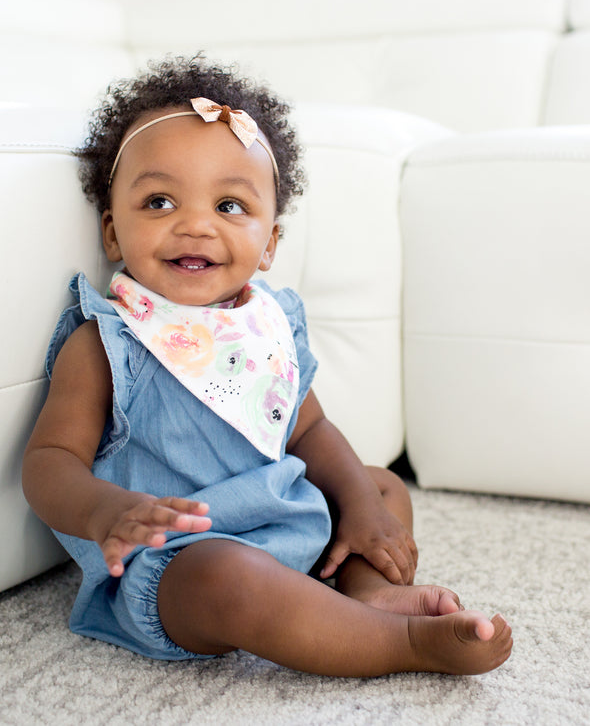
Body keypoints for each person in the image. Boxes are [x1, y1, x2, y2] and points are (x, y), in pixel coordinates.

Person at [23, 56, 512, 677]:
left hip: (286, 518)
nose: (195, 224)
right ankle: (399, 644)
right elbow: (48, 462)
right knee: (230, 578)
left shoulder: (272, 325)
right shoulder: (107, 342)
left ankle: (364, 591)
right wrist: (103, 510)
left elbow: (309, 431)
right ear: (113, 233)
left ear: (270, 243)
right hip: (182, 559)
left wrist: (359, 505)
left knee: (377, 485)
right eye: (161, 200)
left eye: (229, 206)